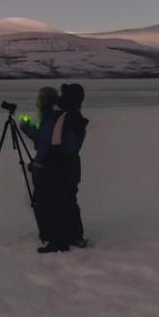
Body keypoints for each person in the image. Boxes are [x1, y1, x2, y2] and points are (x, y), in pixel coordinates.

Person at [19, 87, 61, 249]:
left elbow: (44, 143)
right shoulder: (52, 118)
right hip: (52, 166)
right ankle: (50, 234)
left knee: (44, 201)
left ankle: (50, 235)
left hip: (47, 168)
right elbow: (41, 137)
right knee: (45, 201)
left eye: (40, 98)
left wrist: (37, 165)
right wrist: (28, 127)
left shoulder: (50, 119)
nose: (38, 101)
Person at [56, 83, 90, 250]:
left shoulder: (73, 120)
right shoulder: (70, 116)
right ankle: (68, 233)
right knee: (65, 199)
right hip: (68, 165)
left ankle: (75, 235)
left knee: (68, 199)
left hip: (66, 166)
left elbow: (66, 146)